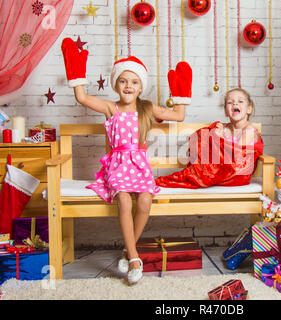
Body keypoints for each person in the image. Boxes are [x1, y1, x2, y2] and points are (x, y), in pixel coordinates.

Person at [61, 38, 192, 284]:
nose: (128, 86)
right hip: (117, 165)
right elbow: (82, 98)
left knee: (144, 201)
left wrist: (180, 93)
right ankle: (133, 256)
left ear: (141, 86)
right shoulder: (112, 108)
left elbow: (178, 114)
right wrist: (76, 74)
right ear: (115, 85)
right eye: (123, 81)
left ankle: (126, 249)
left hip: (140, 165)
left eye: (134, 82)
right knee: (123, 199)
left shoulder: (147, 108)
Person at [155, 88, 263, 189]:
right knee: (205, 135)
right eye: (230, 102)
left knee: (200, 173)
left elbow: (236, 157)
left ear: (249, 109)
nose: (235, 103)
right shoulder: (224, 128)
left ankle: (199, 176)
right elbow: (214, 154)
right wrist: (214, 135)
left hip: (237, 175)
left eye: (240, 101)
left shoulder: (248, 131)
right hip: (221, 171)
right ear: (226, 111)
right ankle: (199, 174)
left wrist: (220, 139)